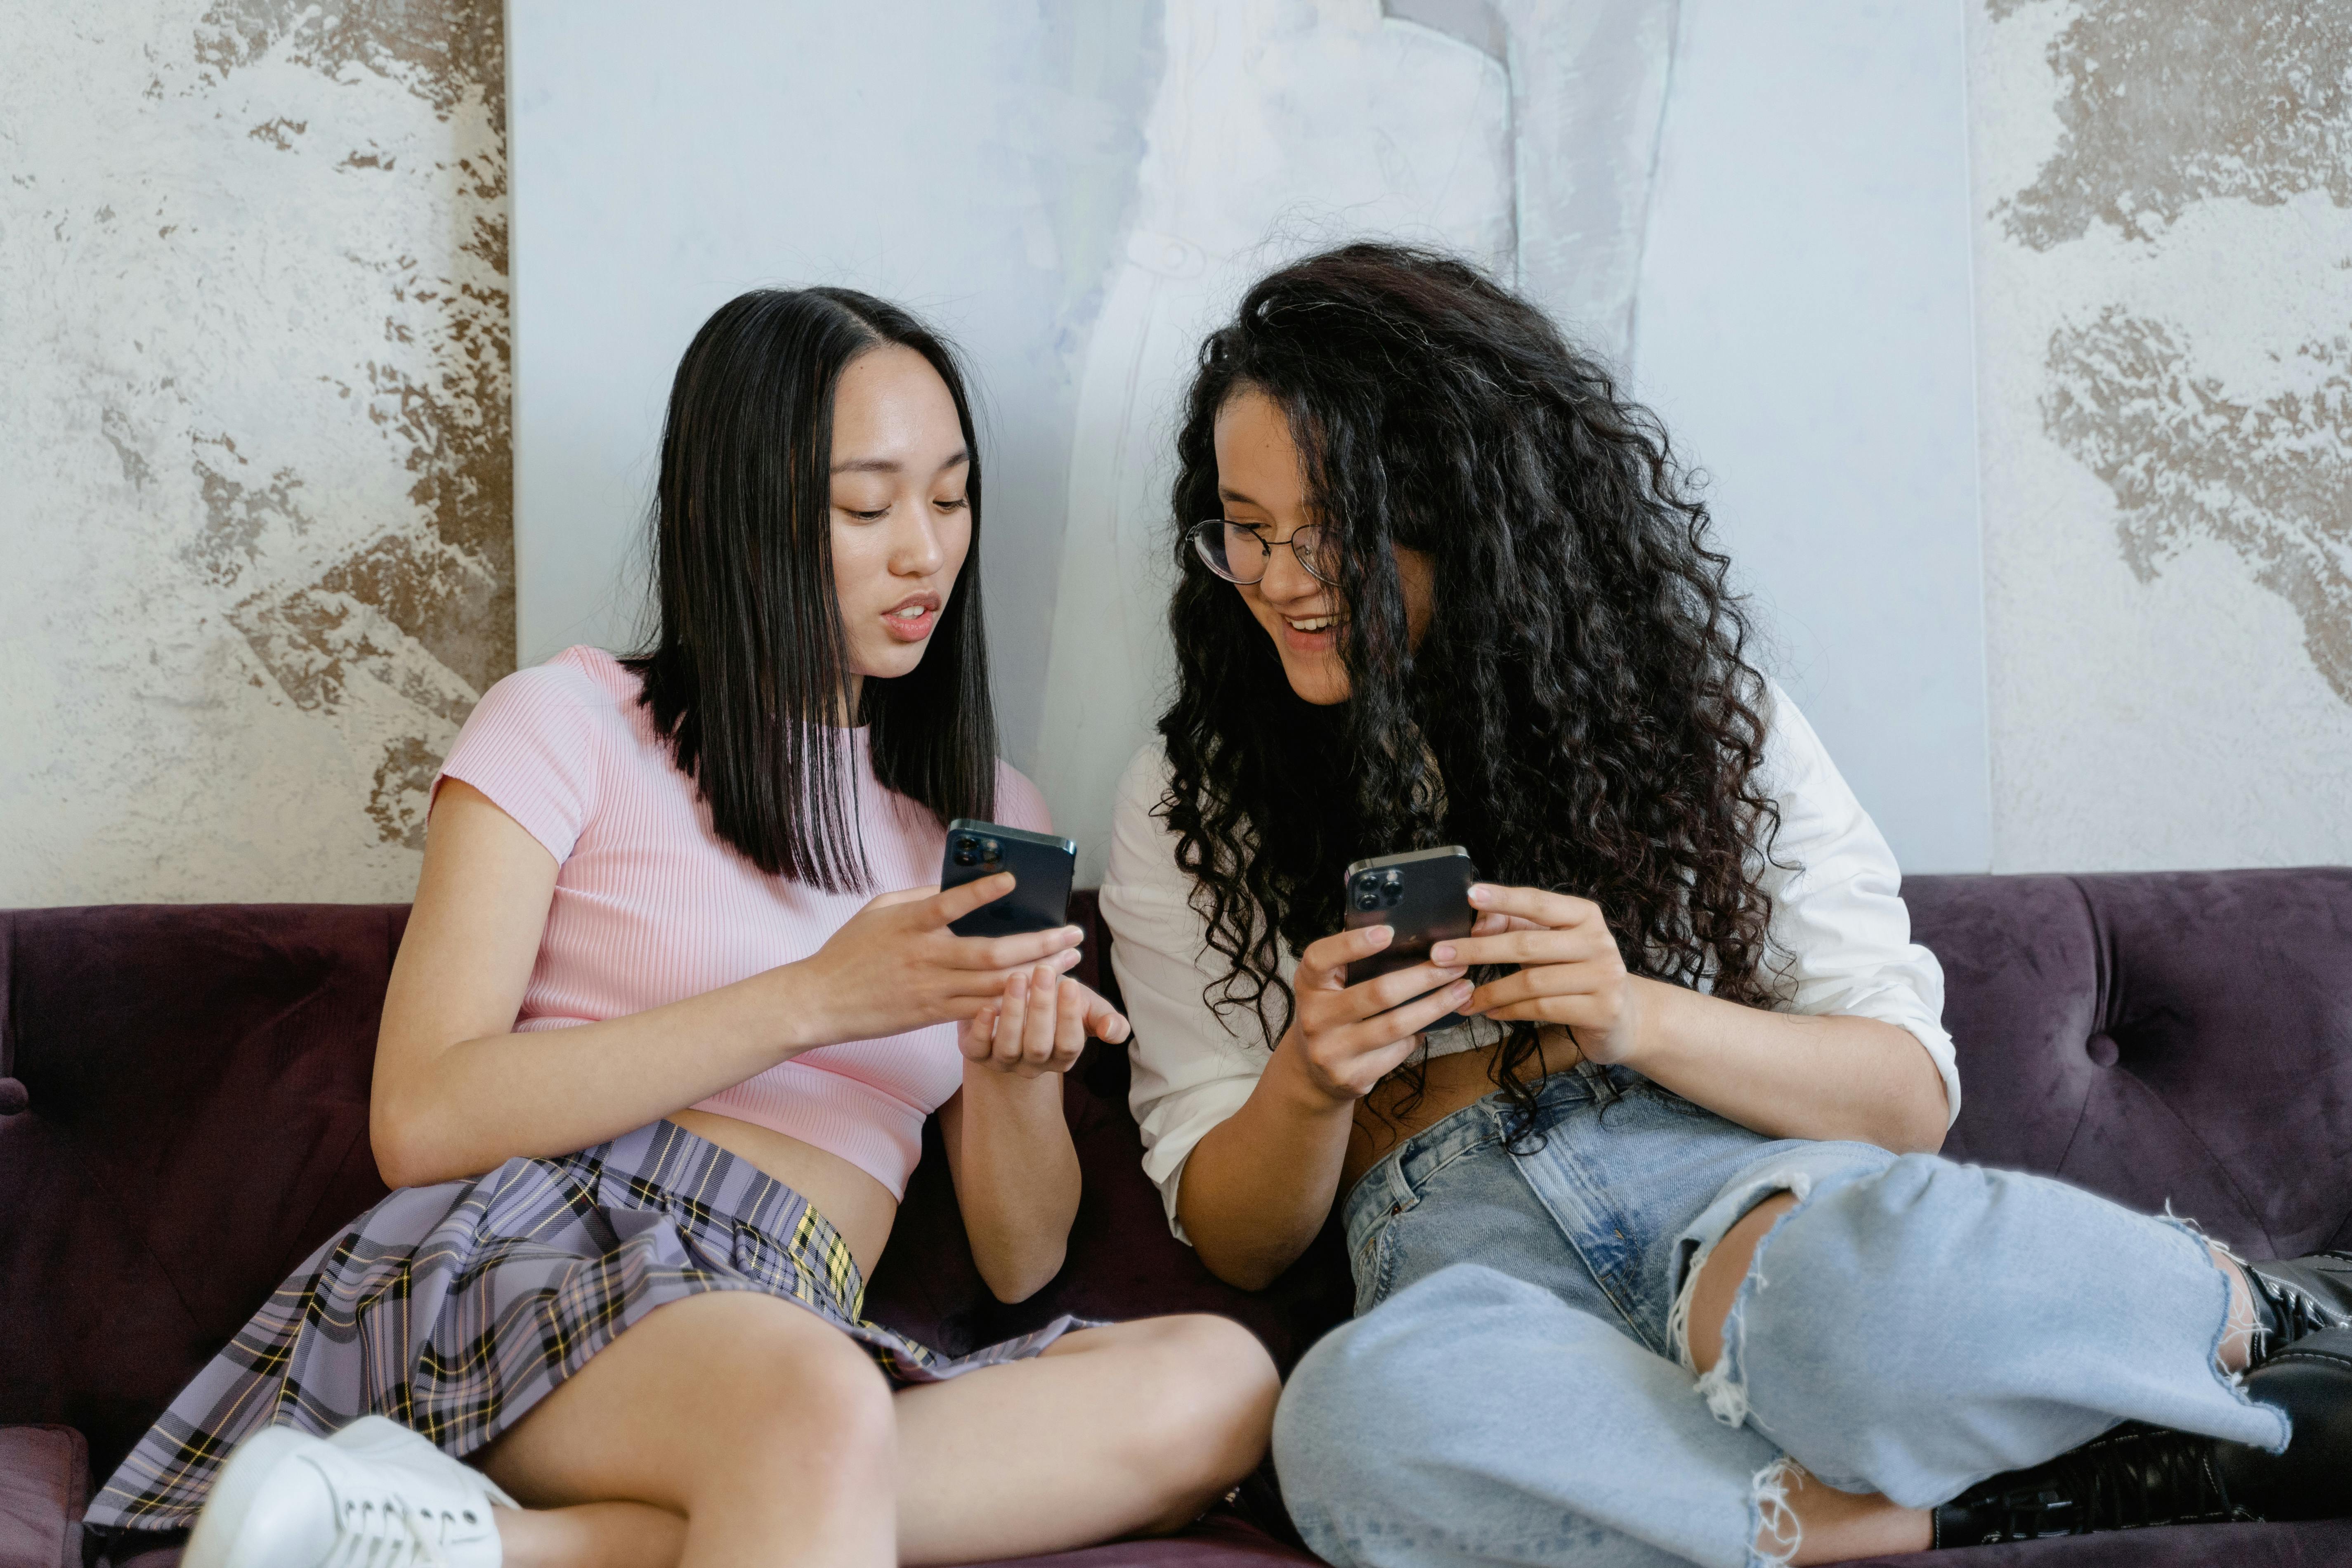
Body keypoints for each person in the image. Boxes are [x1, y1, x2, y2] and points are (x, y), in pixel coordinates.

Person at [1098, 243, 2352, 1568]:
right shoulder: (1190, 796)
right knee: (1347, 1432)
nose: (1284, 578)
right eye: (1248, 529)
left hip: (1728, 1193)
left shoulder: (1690, 715)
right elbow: (1235, 1243)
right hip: (1460, 1279)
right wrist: (1306, 1083)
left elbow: (1902, 1101)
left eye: (1333, 532)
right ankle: (2005, 1499)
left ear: (1464, 512)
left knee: (1832, 1317)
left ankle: (2259, 1308)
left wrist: (1629, 1015)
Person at [85, 287, 1278, 1568]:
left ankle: (484, 1545)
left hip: (788, 1312)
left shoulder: (990, 814)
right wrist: (816, 999)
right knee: (814, 1405)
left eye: (950, 497)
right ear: (730, 511)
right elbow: (420, 1116)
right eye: (867, 507)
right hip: (553, 1250)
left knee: (1220, 1382)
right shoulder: (569, 723)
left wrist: (1013, 1076)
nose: (926, 552)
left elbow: (1018, 1260)